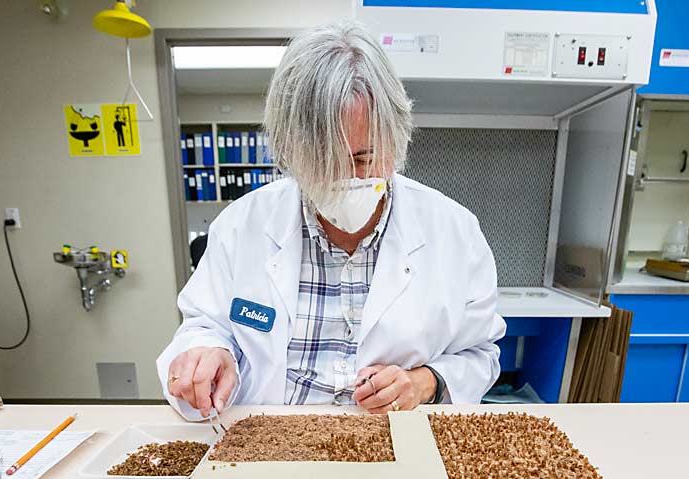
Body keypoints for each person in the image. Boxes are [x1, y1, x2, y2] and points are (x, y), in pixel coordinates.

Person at [157, 20, 505, 421]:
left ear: (397, 137)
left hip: (393, 443)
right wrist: (207, 353)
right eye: (324, 163)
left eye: (364, 157)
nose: (348, 180)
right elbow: (205, 324)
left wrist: (425, 381)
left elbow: (480, 355)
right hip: (269, 442)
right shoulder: (242, 225)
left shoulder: (454, 232)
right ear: (289, 152)